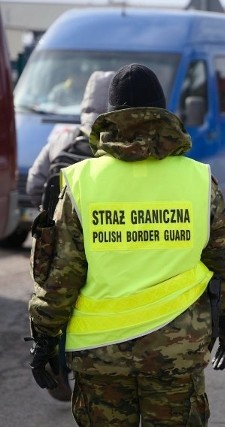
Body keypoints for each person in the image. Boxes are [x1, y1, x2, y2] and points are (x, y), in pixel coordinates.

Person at [27, 63, 225, 425]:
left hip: (100, 355)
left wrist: (44, 338)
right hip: (175, 350)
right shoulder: (198, 180)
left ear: (109, 117)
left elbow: (60, 278)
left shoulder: (81, 182)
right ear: (164, 114)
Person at [25, 70, 115, 402]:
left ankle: (56, 364)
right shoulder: (115, 146)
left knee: (52, 302)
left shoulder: (60, 137)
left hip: (52, 246)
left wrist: (50, 214)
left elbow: (36, 184)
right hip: (100, 244)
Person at [27, 70, 115, 209]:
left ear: (86, 99)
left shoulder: (60, 140)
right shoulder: (124, 146)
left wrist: (52, 211)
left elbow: (34, 184)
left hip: (62, 226)